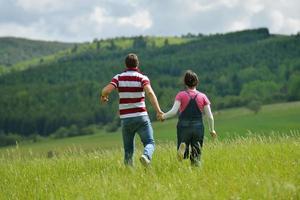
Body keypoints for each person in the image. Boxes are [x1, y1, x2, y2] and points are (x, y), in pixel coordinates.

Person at [101, 53, 163, 167]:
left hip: (126, 119)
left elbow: (106, 90)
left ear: (125, 64)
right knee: (150, 142)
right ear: (137, 64)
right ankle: (146, 156)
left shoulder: (118, 78)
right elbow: (149, 92)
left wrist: (104, 96)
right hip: (141, 117)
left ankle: (129, 174)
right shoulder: (142, 78)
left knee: (128, 151)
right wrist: (158, 111)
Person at [158, 70, 217, 166]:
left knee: (183, 148)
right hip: (198, 127)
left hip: (183, 127)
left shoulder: (181, 95)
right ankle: (195, 168)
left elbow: (173, 111)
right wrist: (212, 130)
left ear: (185, 82)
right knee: (196, 154)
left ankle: (183, 150)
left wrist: (163, 116)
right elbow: (210, 116)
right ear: (197, 82)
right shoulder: (203, 96)